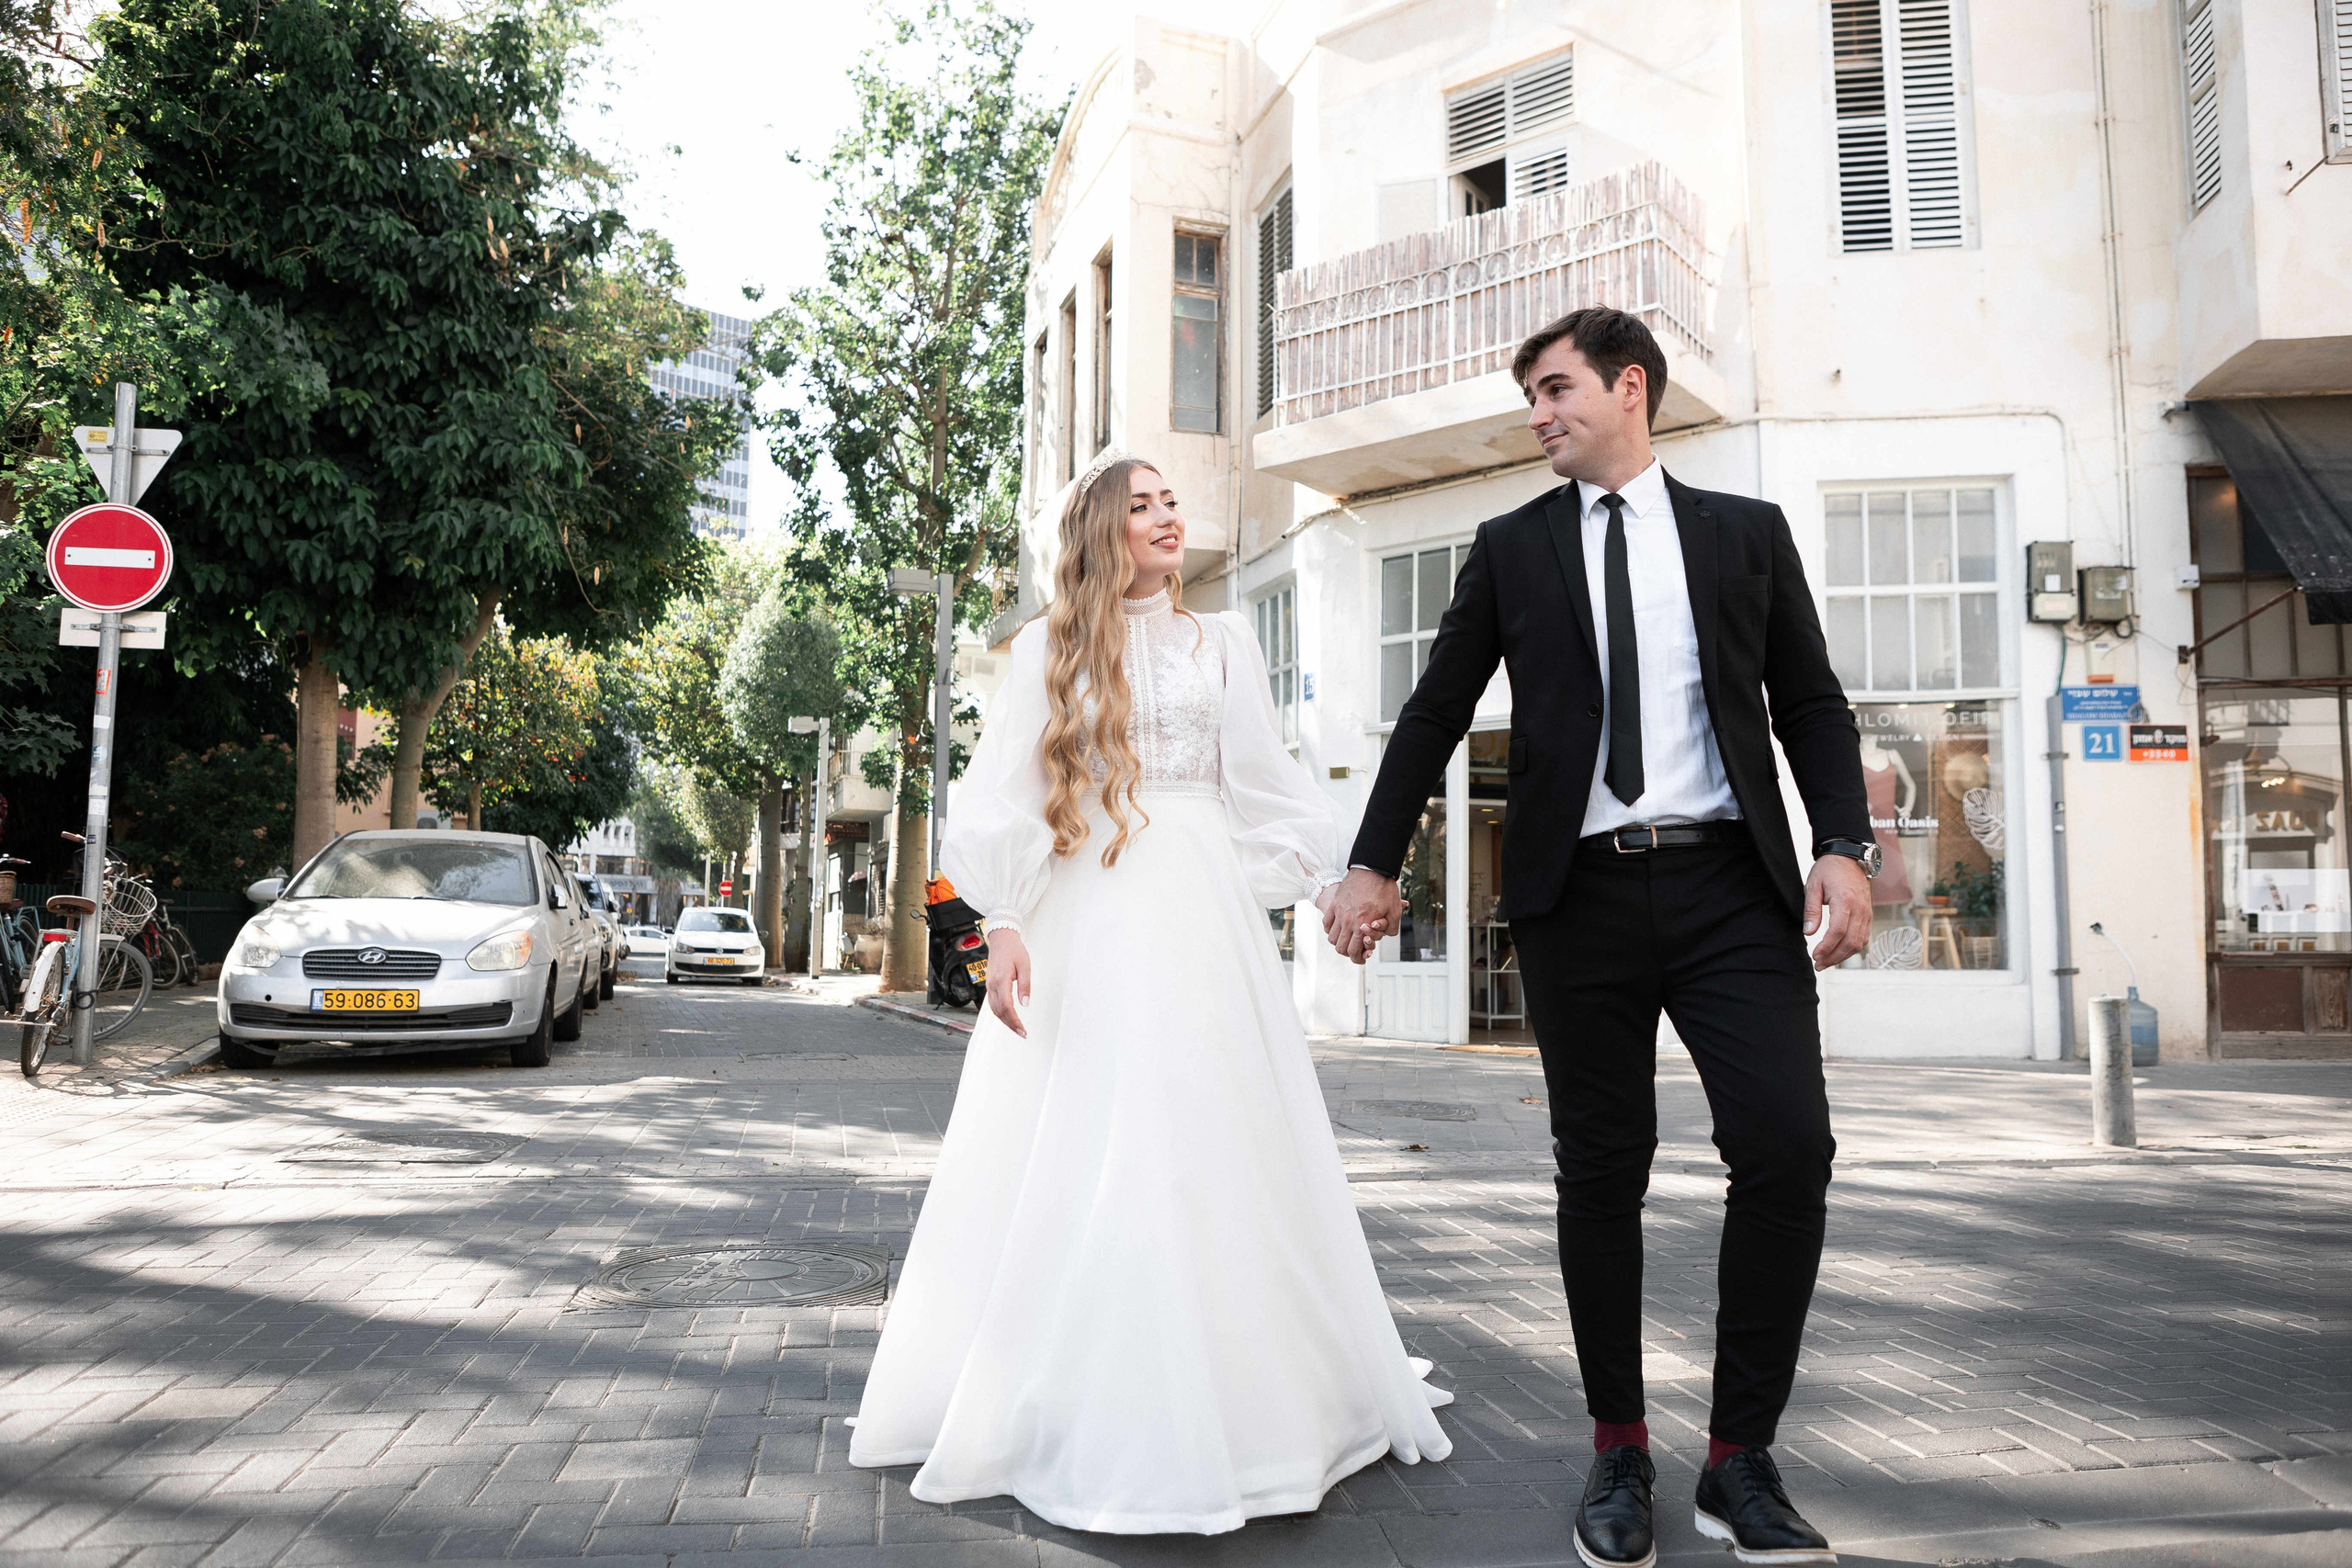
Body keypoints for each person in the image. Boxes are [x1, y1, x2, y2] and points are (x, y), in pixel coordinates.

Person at [1323, 307, 1878, 1568]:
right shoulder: (1512, 547)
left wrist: (1844, 840)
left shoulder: (1746, 532)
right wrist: (1372, 858)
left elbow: (1810, 699)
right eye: (1531, 395)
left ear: (1631, 387)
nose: (1539, 413)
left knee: (1788, 1143)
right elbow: (1433, 711)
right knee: (1601, 1165)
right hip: (1578, 898)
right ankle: (1618, 1445)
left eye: (1557, 388)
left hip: (1734, 890)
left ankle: (1741, 1456)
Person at [846, 453, 1453, 1534]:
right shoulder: (1047, 646)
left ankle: (1244, 1394)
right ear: (1099, 533)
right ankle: (1082, 1391)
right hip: (1090, 915)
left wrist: (1325, 885)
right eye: (1142, 507)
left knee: (1213, 1131)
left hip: (1205, 915)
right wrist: (1008, 921)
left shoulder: (1223, 641)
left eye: (1172, 502)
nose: (1167, 519)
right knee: (1091, 1132)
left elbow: (1261, 780)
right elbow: (1002, 794)